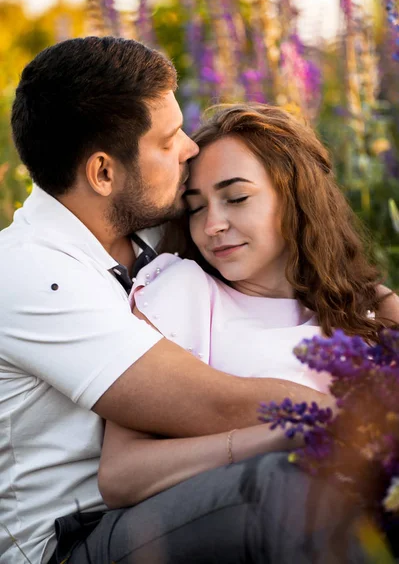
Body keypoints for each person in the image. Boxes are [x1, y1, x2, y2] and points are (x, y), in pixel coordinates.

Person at [0, 36, 349, 564]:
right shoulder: (27, 272)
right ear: (103, 173)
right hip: (71, 542)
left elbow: (294, 255)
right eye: (167, 141)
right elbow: (212, 404)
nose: (189, 148)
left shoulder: (150, 232)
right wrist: (354, 414)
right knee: (280, 490)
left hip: (164, 497)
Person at [97, 103, 399, 513]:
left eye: (236, 198)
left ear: (296, 197)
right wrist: (283, 434)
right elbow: (121, 474)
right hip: (255, 523)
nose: (212, 225)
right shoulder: (184, 292)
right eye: (197, 207)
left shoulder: (369, 303)